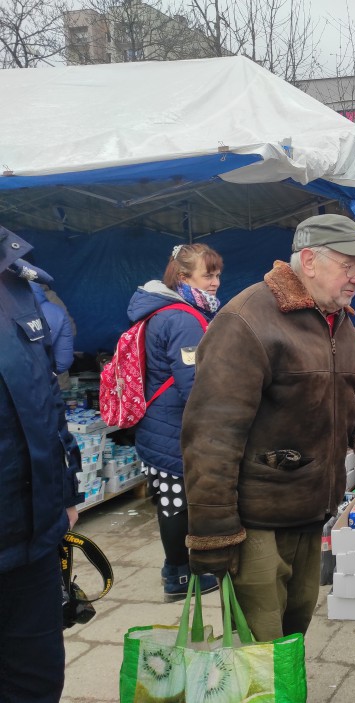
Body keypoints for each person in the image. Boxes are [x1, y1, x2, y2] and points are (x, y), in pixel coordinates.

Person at [182, 214, 355, 641]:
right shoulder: (246, 320)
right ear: (309, 261)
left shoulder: (333, 317)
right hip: (258, 520)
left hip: (310, 511)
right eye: (348, 265)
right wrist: (213, 532)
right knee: (259, 648)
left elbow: (342, 396)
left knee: (292, 633)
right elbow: (211, 434)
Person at [1, 226, 82, 702]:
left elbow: (47, 401)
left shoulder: (16, 281)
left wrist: (65, 494)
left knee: (38, 682)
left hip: (32, 540)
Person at [128, 243, 224, 601]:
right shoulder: (183, 318)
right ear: (183, 277)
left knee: (173, 500)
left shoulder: (167, 310)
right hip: (172, 426)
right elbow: (194, 384)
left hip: (160, 422)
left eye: (217, 274)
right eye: (207, 274)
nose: (215, 282)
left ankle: (176, 569)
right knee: (175, 503)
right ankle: (181, 576)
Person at [30, 281, 75, 377]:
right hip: (54, 374)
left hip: (19, 377)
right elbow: (71, 330)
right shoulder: (52, 301)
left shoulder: (10, 301)